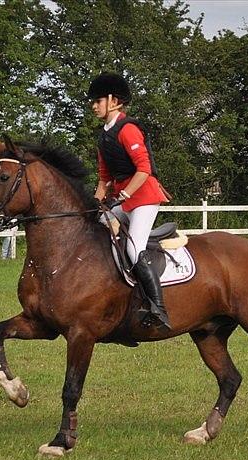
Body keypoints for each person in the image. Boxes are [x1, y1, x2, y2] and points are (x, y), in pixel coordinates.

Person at [88, 72, 171, 330]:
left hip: (144, 197)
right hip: (123, 201)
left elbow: (144, 168)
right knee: (98, 228)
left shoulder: (128, 129)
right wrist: (92, 206)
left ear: (113, 101)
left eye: (98, 100)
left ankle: (158, 308)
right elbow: (104, 180)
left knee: (134, 250)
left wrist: (124, 195)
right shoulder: (103, 137)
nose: (93, 105)